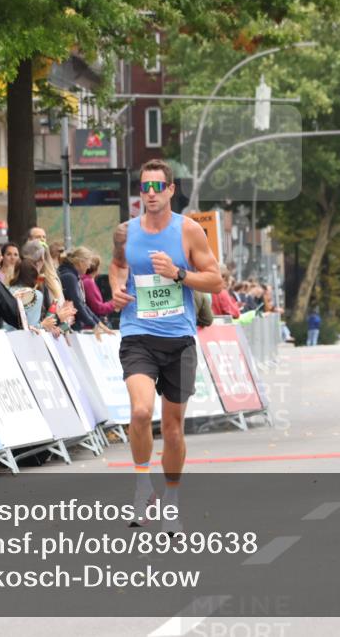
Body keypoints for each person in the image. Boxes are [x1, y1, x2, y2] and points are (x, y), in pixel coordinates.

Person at [109, 159, 223, 534]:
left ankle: (171, 500)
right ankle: (143, 484)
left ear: (171, 190)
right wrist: (116, 290)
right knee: (141, 412)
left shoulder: (188, 231)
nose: (151, 194)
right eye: (145, 187)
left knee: (173, 430)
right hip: (137, 333)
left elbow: (216, 281)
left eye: (158, 187)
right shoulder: (125, 232)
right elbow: (116, 266)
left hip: (178, 338)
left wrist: (178, 273)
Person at [59, 247, 105, 332]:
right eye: (88, 263)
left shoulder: (73, 277)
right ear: (81, 262)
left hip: (69, 325)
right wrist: (94, 325)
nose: (88, 267)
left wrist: (98, 323)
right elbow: (78, 304)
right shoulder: (69, 277)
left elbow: (82, 304)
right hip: (67, 326)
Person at [81, 253, 115, 319]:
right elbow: (98, 308)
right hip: (91, 325)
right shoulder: (88, 282)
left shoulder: (87, 280)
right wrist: (114, 303)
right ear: (97, 268)